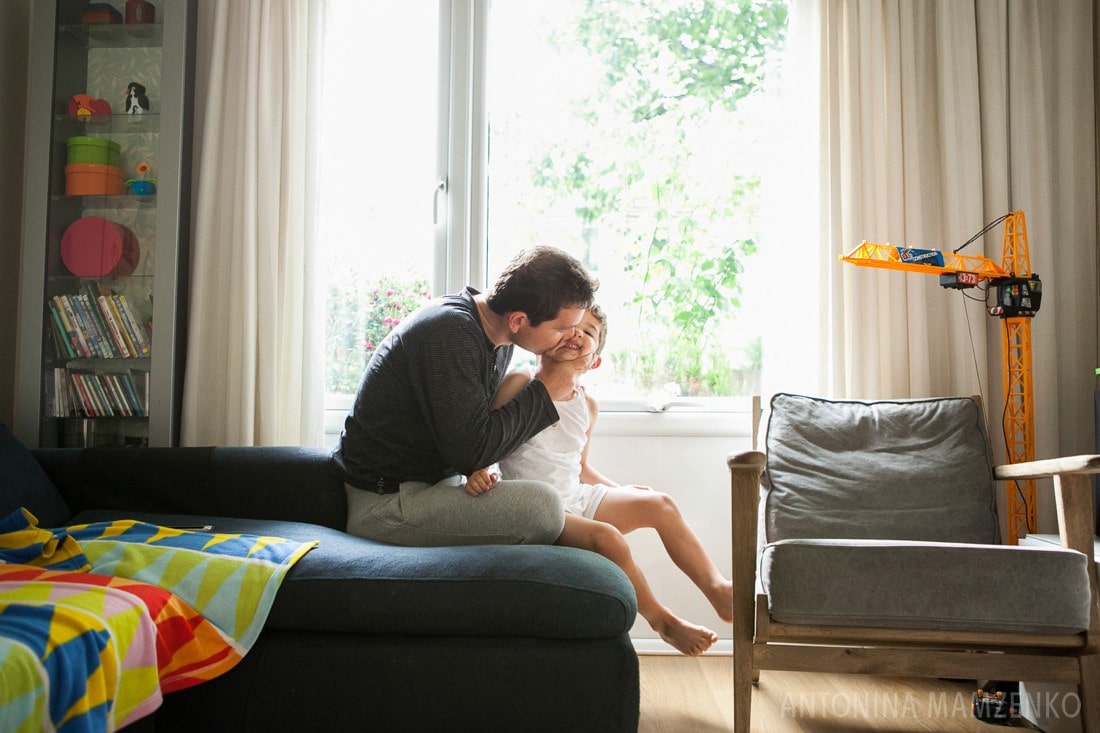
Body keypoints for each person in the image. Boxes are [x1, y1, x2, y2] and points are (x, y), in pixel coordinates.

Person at [466, 306, 732, 656]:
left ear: (595, 361)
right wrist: (479, 470)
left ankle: (719, 591)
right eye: (570, 327)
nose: (576, 334)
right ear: (544, 340)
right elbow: (488, 440)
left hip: (574, 496)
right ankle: (662, 621)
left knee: (659, 504)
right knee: (609, 538)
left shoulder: (586, 404)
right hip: (537, 509)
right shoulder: (520, 382)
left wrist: (618, 491)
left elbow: (581, 468)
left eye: (588, 332)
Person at [333, 245, 599, 547]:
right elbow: (474, 451)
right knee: (545, 506)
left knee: (560, 504)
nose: (571, 336)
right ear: (518, 320)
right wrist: (547, 387)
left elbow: (476, 440)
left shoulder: (498, 337)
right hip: (387, 502)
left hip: (435, 486)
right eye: (564, 328)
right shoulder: (449, 333)